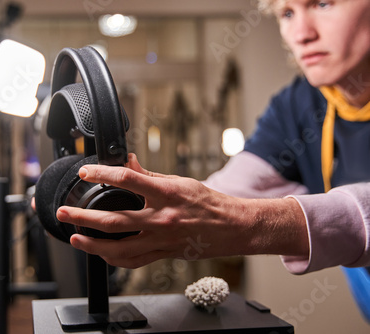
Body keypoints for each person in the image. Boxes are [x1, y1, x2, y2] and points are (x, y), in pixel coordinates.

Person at [42, 0, 370, 276]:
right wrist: (145, 209)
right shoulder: (297, 104)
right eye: (286, 13)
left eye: (324, 2)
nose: (301, 34)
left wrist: (249, 224)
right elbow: (225, 191)